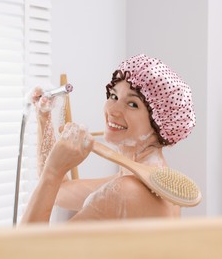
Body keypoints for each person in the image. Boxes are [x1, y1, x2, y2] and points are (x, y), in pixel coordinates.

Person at [20, 54, 196, 223]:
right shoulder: (151, 182)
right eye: (113, 96)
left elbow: (29, 251)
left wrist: (52, 171)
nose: (112, 109)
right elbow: (60, 193)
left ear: (160, 122)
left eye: (132, 104)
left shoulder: (124, 192)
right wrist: (44, 117)